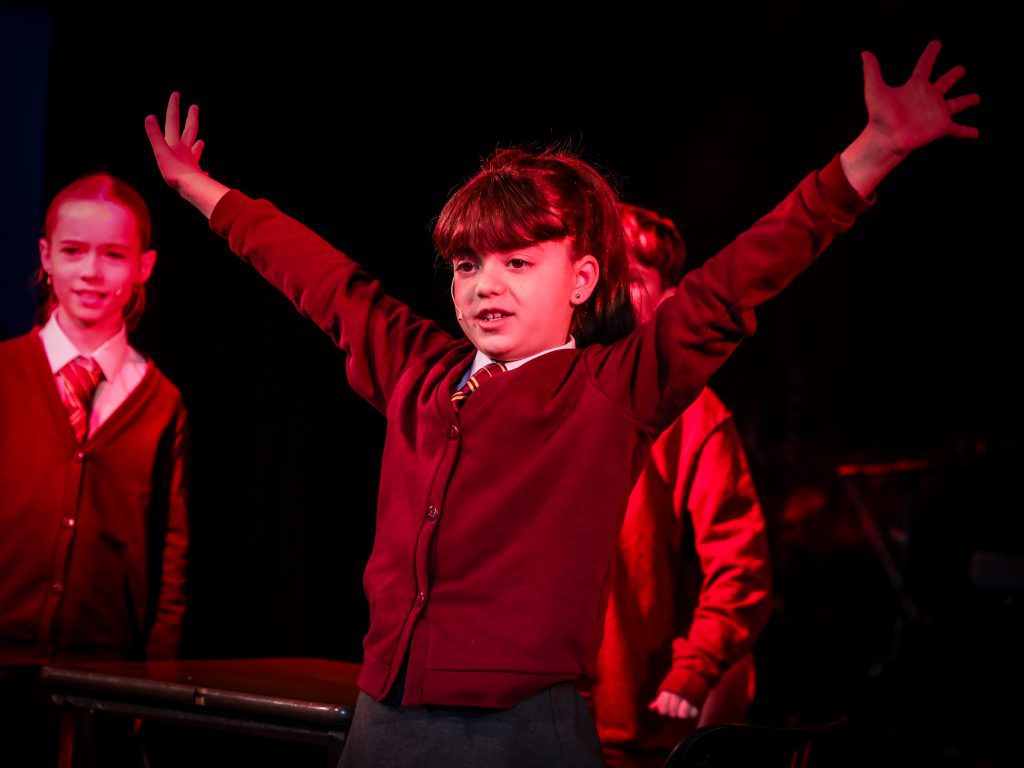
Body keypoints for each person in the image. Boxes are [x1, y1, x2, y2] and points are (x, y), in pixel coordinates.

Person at [144, 40, 977, 767]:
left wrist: (872, 153)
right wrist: (198, 189)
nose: (485, 285)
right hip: (385, 719)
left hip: (519, 733)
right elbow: (320, 278)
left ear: (582, 280)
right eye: (468, 266)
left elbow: (734, 285)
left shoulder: (610, 389)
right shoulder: (420, 370)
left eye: (517, 263)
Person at [0, 172, 189, 765]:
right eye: (73, 251)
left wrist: (153, 681)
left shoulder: (160, 400)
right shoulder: (6, 374)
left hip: (104, 672)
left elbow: (171, 551)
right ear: (45, 257)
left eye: (113, 255)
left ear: (144, 266)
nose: (90, 272)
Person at [588, 204, 771, 768]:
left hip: (628, 727)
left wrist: (694, 670)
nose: (612, 298)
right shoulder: (550, 386)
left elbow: (740, 564)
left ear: (669, 298)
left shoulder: (694, 413)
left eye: (632, 281)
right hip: (522, 718)